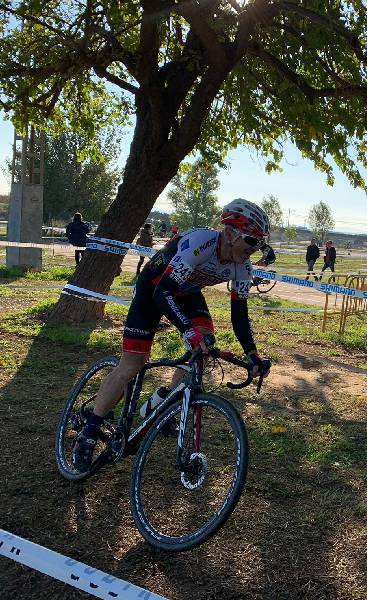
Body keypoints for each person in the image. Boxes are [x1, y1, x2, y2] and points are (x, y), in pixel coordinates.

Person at [71, 199, 273, 473]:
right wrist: (186, 330)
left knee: (203, 347)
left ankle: (164, 398)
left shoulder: (242, 267)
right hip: (154, 290)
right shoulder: (201, 242)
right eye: (251, 241)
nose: (254, 250)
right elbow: (162, 292)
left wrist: (253, 354)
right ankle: (90, 430)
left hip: (186, 293)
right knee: (133, 363)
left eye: (260, 244)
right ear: (229, 232)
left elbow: (240, 316)